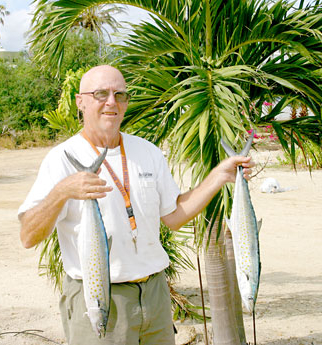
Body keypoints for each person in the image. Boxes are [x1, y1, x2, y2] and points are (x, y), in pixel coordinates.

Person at [18, 65, 254, 345]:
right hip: (99, 296)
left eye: (120, 95)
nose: (111, 102)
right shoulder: (60, 158)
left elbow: (174, 216)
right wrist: (62, 192)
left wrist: (219, 177)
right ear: (80, 101)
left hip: (155, 294)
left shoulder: (147, 151)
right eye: (100, 94)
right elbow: (28, 236)